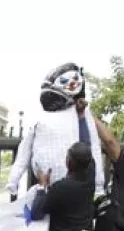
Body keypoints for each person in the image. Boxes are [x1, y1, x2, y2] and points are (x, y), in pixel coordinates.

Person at [6, 63, 106, 198]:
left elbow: (93, 146)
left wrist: (98, 185)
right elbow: (24, 151)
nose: (71, 84)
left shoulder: (81, 112)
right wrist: (13, 181)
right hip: (49, 185)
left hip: (71, 185)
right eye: (65, 81)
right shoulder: (40, 115)